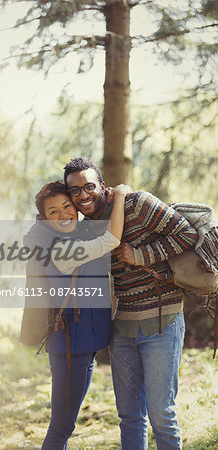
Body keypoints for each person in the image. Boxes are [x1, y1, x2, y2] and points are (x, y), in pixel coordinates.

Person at [63, 156, 198, 450]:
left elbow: (187, 233)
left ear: (102, 185)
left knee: (162, 415)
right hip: (122, 330)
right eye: (75, 191)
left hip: (161, 322)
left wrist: (140, 255)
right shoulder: (87, 229)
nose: (83, 195)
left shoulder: (137, 204)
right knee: (130, 417)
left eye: (88, 187)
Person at [23, 180, 131, 450]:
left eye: (66, 207)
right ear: (44, 219)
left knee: (63, 424)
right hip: (70, 345)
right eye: (53, 212)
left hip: (81, 344)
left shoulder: (72, 237)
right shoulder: (60, 249)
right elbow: (112, 240)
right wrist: (121, 195)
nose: (63, 215)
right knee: (61, 426)